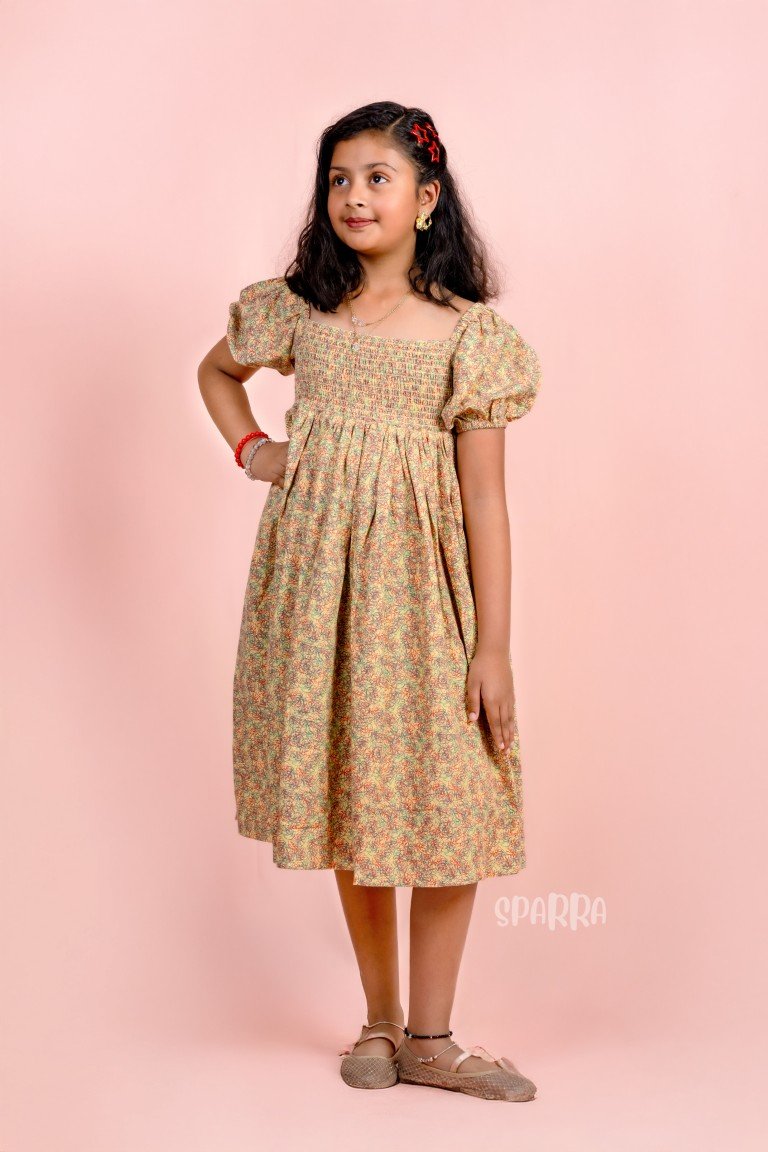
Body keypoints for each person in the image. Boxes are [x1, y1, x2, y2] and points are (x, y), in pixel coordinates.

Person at [198, 101, 542, 1103]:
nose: (354, 196)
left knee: (446, 795)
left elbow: (487, 501)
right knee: (356, 791)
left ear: (427, 200)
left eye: (377, 178)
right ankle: (382, 1023)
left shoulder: (469, 337)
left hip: (423, 598)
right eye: (339, 179)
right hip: (319, 593)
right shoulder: (300, 311)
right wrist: (256, 451)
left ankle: (435, 1037)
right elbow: (217, 373)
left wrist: (493, 647)